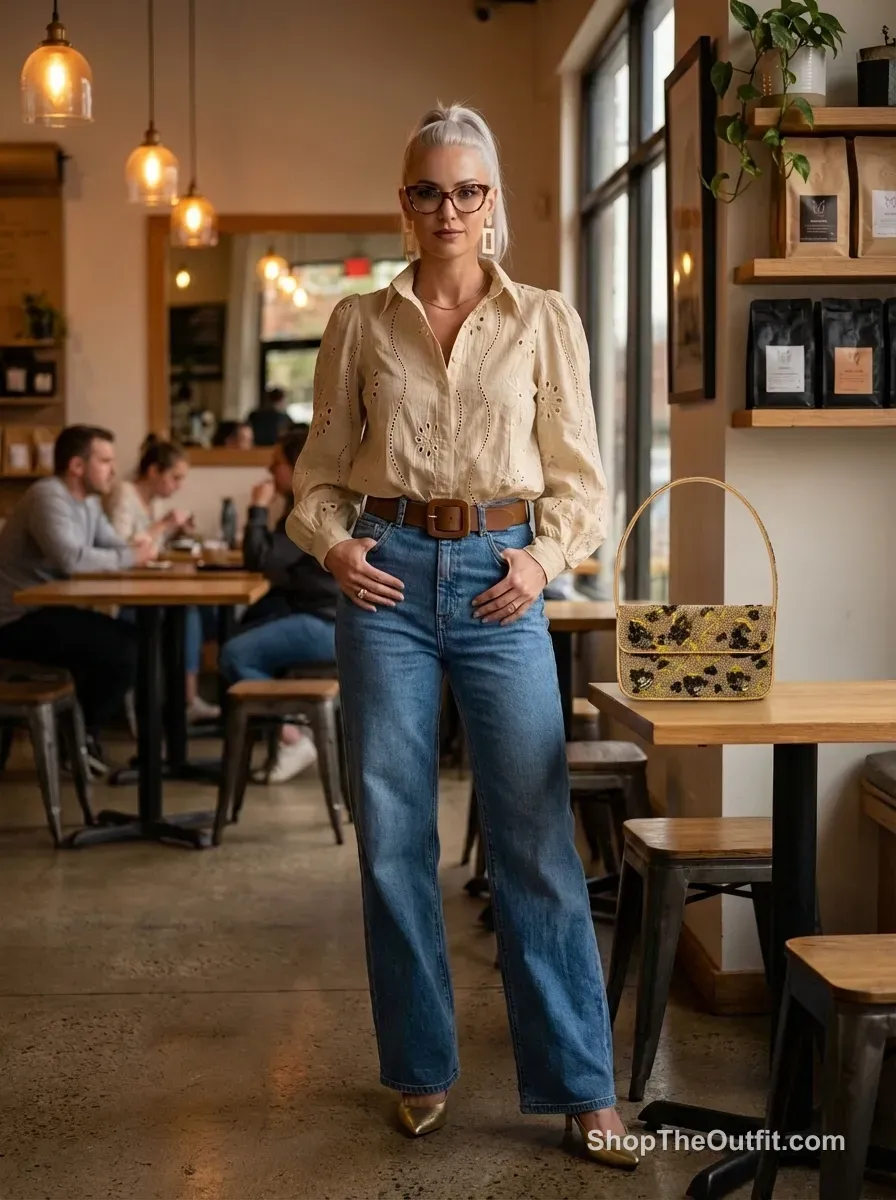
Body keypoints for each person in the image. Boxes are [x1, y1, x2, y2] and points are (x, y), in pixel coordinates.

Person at [286, 104, 636, 1171]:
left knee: (533, 834)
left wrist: (538, 562)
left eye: (469, 190)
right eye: (430, 189)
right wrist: (331, 544)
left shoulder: (543, 320)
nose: (450, 208)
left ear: (491, 203)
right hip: (383, 575)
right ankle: (420, 1064)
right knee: (394, 838)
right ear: (403, 202)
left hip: (500, 581)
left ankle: (580, 1085)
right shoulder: (356, 322)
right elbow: (317, 472)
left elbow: (577, 479)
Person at [0, 425, 152, 771]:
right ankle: (77, 740)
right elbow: (70, 558)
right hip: (14, 619)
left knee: (130, 639)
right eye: (105, 461)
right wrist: (132, 556)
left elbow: (114, 547)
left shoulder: (88, 504)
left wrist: (135, 551)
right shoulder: (47, 496)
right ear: (77, 466)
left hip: (46, 611)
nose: (113, 470)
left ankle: (79, 737)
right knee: (123, 650)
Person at [219, 428, 339, 782]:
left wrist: (257, 507)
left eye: (277, 464)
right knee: (249, 626)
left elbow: (260, 559)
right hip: (325, 615)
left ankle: (293, 736)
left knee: (235, 655)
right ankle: (289, 724)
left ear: (297, 466)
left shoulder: (308, 507)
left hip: (325, 623)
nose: (271, 473)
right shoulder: (313, 501)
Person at [106, 436, 220, 724]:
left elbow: (151, 548)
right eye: (175, 478)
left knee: (204, 610)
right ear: (154, 471)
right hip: (123, 595)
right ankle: (185, 699)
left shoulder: (150, 502)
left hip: (143, 587)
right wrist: (165, 524)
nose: (178, 486)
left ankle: (182, 697)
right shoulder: (124, 493)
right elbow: (119, 548)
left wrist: (175, 533)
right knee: (189, 610)